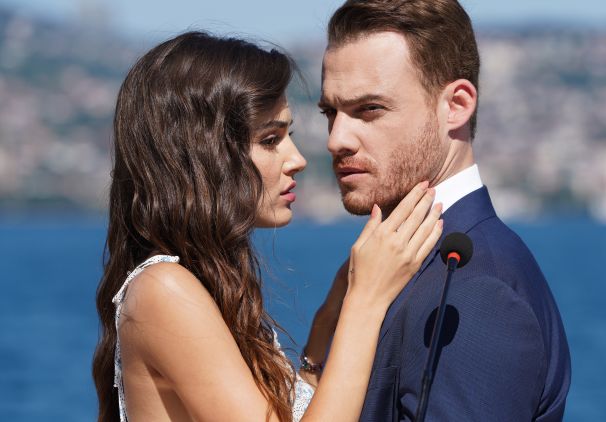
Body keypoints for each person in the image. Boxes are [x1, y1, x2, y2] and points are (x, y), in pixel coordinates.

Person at [92, 31, 444, 422]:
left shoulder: (202, 285)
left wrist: (327, 323)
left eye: (287, 136)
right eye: (270, 140)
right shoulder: (164, 289)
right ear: (205, 154)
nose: (297, 160)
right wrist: (367, 301)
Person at [317, 0, 572, 420]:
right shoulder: (397, 268)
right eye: (331, 112)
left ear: (456, 105)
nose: (336, 139)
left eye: (369, 109)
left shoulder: (478, 289)